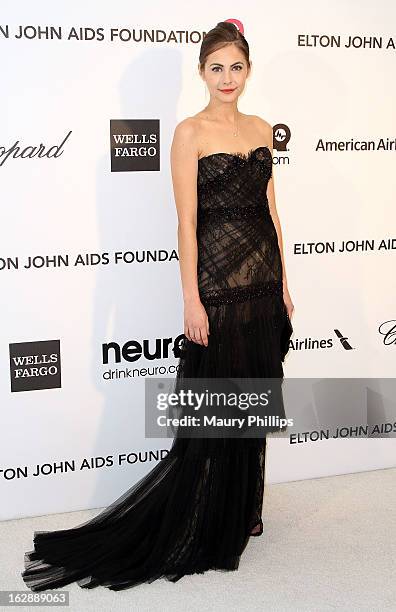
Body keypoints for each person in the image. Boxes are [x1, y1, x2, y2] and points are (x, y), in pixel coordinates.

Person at [21, 21, 294, 592]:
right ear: (201, 73)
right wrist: (190, 298)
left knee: (255, 400)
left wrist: (286, 283)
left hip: (263, 285)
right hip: (216, 288)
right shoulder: (188, 133)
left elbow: (271, 215)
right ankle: (209, 514)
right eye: (215, 67)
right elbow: (187, 223)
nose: (227, 78)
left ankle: (247, 508)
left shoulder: (264, 129)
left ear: (249, 71)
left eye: (236, 67)